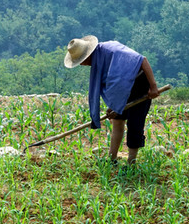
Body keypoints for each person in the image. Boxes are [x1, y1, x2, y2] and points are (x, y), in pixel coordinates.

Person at [64, 35, 160, 164]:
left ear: (88, 55)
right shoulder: (99, 60)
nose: (81, 64)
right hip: (123, 90)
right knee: (117, 120)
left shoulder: (113, 50)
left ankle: (131, 162)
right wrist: (114, 104)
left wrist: (153, 86)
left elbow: (142, 60)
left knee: (134, 124)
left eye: (81, 60)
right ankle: (112, 158)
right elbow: (114, 82)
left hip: (139, 84)